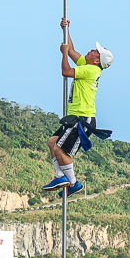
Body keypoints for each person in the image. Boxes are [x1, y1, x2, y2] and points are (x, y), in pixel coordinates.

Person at [43, 18, 113, 197]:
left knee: (60, 148)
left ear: (97, 60)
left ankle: (73, 183)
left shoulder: (91, 70)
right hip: (76, 116)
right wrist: (66, 30)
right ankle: (60, 176)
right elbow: (72, 50)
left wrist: (63, 55)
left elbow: (66, 71)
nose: (90, 50)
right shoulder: (87, 65)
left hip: (82, 118)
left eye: (94, 51)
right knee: (53, 142)